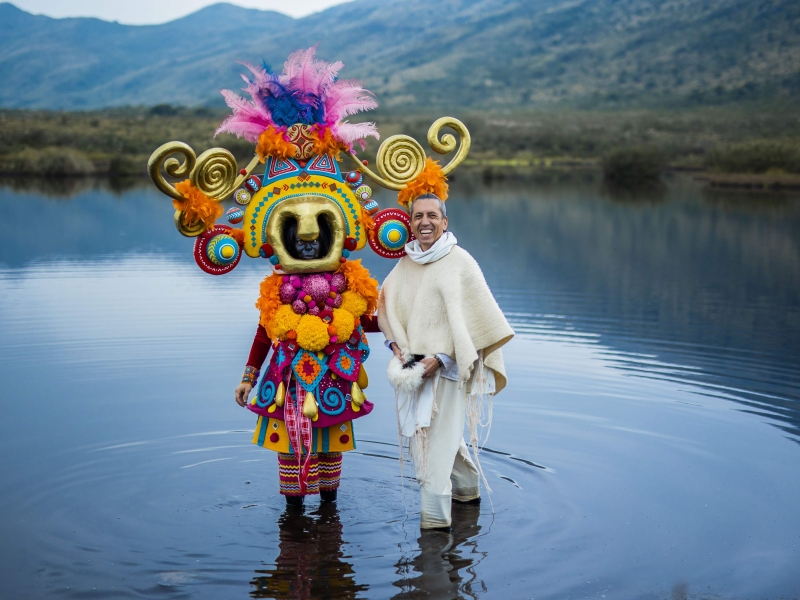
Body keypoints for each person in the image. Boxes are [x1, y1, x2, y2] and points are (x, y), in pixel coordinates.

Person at [378, 193, 514, 530]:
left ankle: (434, 525)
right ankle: (468, 491)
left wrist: (439, 359)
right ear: (410, 223)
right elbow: (389, 308)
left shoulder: (460, 262)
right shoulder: (405, 264)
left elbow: (475, 318)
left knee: (432, 450)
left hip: (449, 369)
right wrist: (397, 346)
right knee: (436, 436)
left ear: (445, 221)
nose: (425, 222)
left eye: (432, 216)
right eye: (418, 216)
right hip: (413, 369)